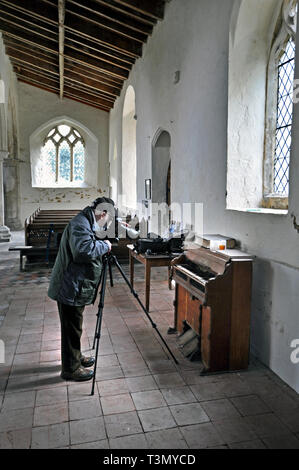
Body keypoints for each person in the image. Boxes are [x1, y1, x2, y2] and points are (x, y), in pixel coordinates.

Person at [48, 197, 114, 381]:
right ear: (103, 212)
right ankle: (70, 369)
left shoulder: (87, 221)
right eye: (107, 219)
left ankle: (74, 357)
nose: (106, 223)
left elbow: (91, 238)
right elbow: (83, 251)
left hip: (74, 284)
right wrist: (105, 245)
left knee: (74, 326)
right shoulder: (80, 223)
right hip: (70, 285)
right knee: (71, 327)